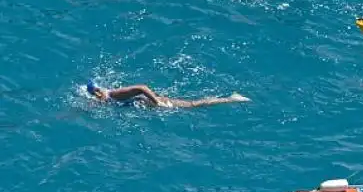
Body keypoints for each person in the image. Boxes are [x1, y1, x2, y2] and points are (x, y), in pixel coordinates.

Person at [85, 80, 250, 109]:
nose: (97, 98)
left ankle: (231, 99)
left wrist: (156, 101)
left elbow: (141, 87)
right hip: (150, 105)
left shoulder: (114, 94)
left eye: (97, 94)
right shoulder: (105, 98)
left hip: (157, 104)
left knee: (193, 105)